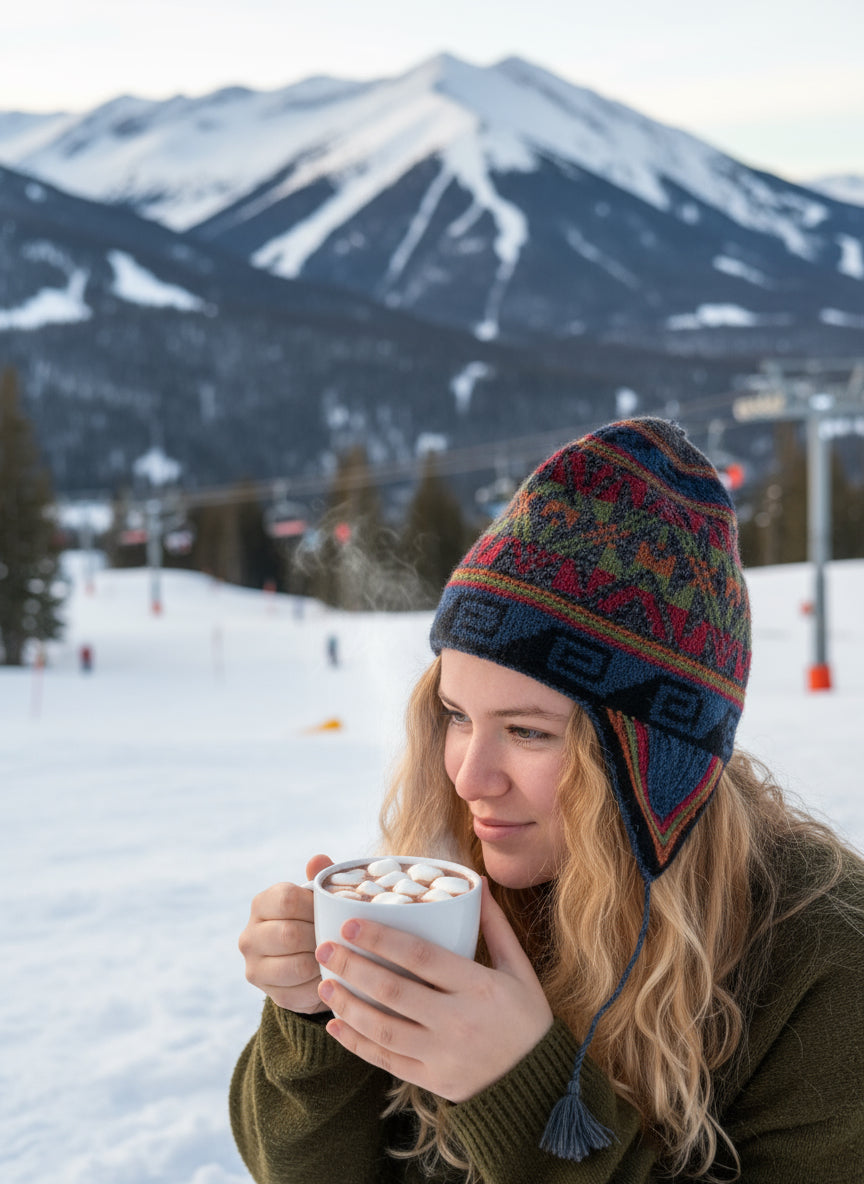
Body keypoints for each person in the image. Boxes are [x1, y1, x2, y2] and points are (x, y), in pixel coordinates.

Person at [231, 418, 864, 1183]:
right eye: (457, 718)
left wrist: (520, 1092)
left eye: (529, 732)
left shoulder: (826, 966)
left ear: (654, 763)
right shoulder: (461, 891)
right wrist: (317, 1017)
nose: (468, 778)